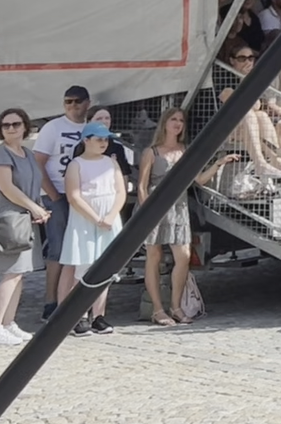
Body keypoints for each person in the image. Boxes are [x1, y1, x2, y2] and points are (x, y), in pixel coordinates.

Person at [140, 109, 239, 324]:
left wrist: (218, 164)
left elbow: (199, 180)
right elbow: (142, 185)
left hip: (179, 206)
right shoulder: (152, 152)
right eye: (173, 119)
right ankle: (158, 309)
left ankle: (176, 306)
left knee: (183, 256)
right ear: (165, 123)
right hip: (156, 206)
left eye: (181, 120)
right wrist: (146, 211)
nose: (178, 123)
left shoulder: (185, 150)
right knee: (154, 257)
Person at [0, 108, 44, 345]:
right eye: (6, 125)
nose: (10, 128)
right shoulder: (0, 153)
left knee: (20, 273)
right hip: (9, 218)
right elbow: (7, 188)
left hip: (25, 217)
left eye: (15, 124)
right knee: (11, 272)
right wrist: (34, 207)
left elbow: (31, 185)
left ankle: (8, 323)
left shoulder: (27, 154)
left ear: (25, 126)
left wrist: (37, 208)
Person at [32, 84, 93, 321]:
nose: (73, 105)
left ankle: (77, 300)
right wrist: (54, 196)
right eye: (68, 101)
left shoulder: (90, 128)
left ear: (87, 102)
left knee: (82, 250)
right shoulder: (53, 128)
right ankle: (50, 302)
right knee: (57, 249)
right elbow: (38, 163)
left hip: (84, 195)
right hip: (57, 192)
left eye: (77, 101)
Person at [61, 123, 126, 336]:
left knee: (105, 268)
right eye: (98, 139)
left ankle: (99, 315)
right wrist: (96, 218)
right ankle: (77, 315)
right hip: (85, 220)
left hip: (108, 218)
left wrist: (110, 216)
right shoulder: (76, 165)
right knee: (83, 268)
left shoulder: (111, 163)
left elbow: (120, 192)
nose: (103, 143)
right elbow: (74, 196)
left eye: (105, 140)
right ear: (86, 140)